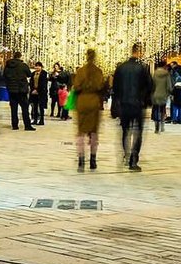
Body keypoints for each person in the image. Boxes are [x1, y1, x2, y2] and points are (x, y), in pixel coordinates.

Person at [112, 43, 153, 171]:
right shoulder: (142, 68)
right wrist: (145, 100)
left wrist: (117, 103)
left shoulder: (121, 68)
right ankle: (133, 161)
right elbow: (149, 86)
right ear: (139, 52)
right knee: (137, 132)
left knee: (125, 131)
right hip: (137, 105)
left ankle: (126, 154)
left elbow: (115, 87)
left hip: (124, 105)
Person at [72, 49, 106, 172]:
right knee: (93, 133)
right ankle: (93, 160)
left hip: (82, 102)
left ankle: (81, 161)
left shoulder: (81, 71)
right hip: (94, 102)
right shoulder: (98, 71)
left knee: (81, 132)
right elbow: (101, 86)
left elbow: (76, 87)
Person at [3, 51, 34, 131]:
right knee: (25, 108)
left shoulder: (8, 66)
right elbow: (29, 74)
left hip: (11, 90)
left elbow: (4, 76)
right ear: (20, 57)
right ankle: (27, 125)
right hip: (21, 90)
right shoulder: (23, 65)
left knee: (14, 108)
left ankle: (15, 125)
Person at [151, 59, 173, 134]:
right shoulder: (166, 74)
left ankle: (156, 127)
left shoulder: (155, 74)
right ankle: (162, 126)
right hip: (164, 95)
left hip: (156, 95)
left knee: (156, 110)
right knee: (162, 111)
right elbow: (169, 86)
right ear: (164, 66)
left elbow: (152, 85)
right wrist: (169, 93)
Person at [29, 61, 48, 127]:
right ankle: (35, 119)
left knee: (41, 106)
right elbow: (31, 82)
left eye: (38, 66)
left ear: (41, 67)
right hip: (33, 92)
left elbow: (43, 83)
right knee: (35, 106)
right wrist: (33, 89)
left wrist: (37, 90)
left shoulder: (44, 73)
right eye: (36, 66)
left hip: (41, 92)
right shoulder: (33, 73)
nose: (37, 67)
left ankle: (41, 120)